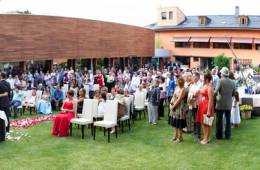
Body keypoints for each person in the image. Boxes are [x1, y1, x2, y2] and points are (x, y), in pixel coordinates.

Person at [215, 67, 236, 140]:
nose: (220, 74)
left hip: (220, 103)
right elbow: (234, 93)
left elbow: (215, 91)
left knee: (219, 120)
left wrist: (216, 97)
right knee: (228, 120)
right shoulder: (233, 82)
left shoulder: (220, 81)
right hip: (228, 103)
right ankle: (228, 135)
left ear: (222, 74)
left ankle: (219, 135)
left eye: (221, 73)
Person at [196, 71, 214, 145]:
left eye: (203, 77)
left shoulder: (210, 87)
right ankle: (206, 138)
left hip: (207, 107)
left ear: (206, 79)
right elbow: (202, 92)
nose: (202, 79)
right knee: (203, 123)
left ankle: (206, 139)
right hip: (202, 106)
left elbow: (211, 100)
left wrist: (209, 111)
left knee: (207, 123)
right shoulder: (205, 85)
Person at [169, 77, 186, 143]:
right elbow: (173, 96)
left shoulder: (183, 89)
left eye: (177, 81)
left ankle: (180, 137)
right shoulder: (176, 87)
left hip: (179, 107)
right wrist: (171, 104)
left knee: (179, 123)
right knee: (175, 122)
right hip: (174, 105)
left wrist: (173, 107)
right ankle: (175, 136)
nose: (176, 82)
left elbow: (179, 100)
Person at [187, 72, 202, 141]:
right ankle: (195, 132)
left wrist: (193, 95)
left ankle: (198, 134)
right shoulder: (192, 85)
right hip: (192, 103)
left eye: (194, 77)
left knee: (198, 119)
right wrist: (190, 97)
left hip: (198, 103)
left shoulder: (200, 84)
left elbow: (197, 93)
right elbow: (190, 92)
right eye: (193, 77)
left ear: (197, 77)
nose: (193, 78)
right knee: (194, 118)